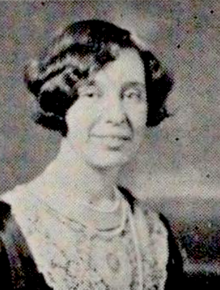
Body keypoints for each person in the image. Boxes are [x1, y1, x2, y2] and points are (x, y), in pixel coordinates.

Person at [0, 20, 183, 289]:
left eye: (132, 95)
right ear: (61, 101)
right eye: (92, 94)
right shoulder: (10, 232)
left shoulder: (155, 235)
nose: (117, 116)